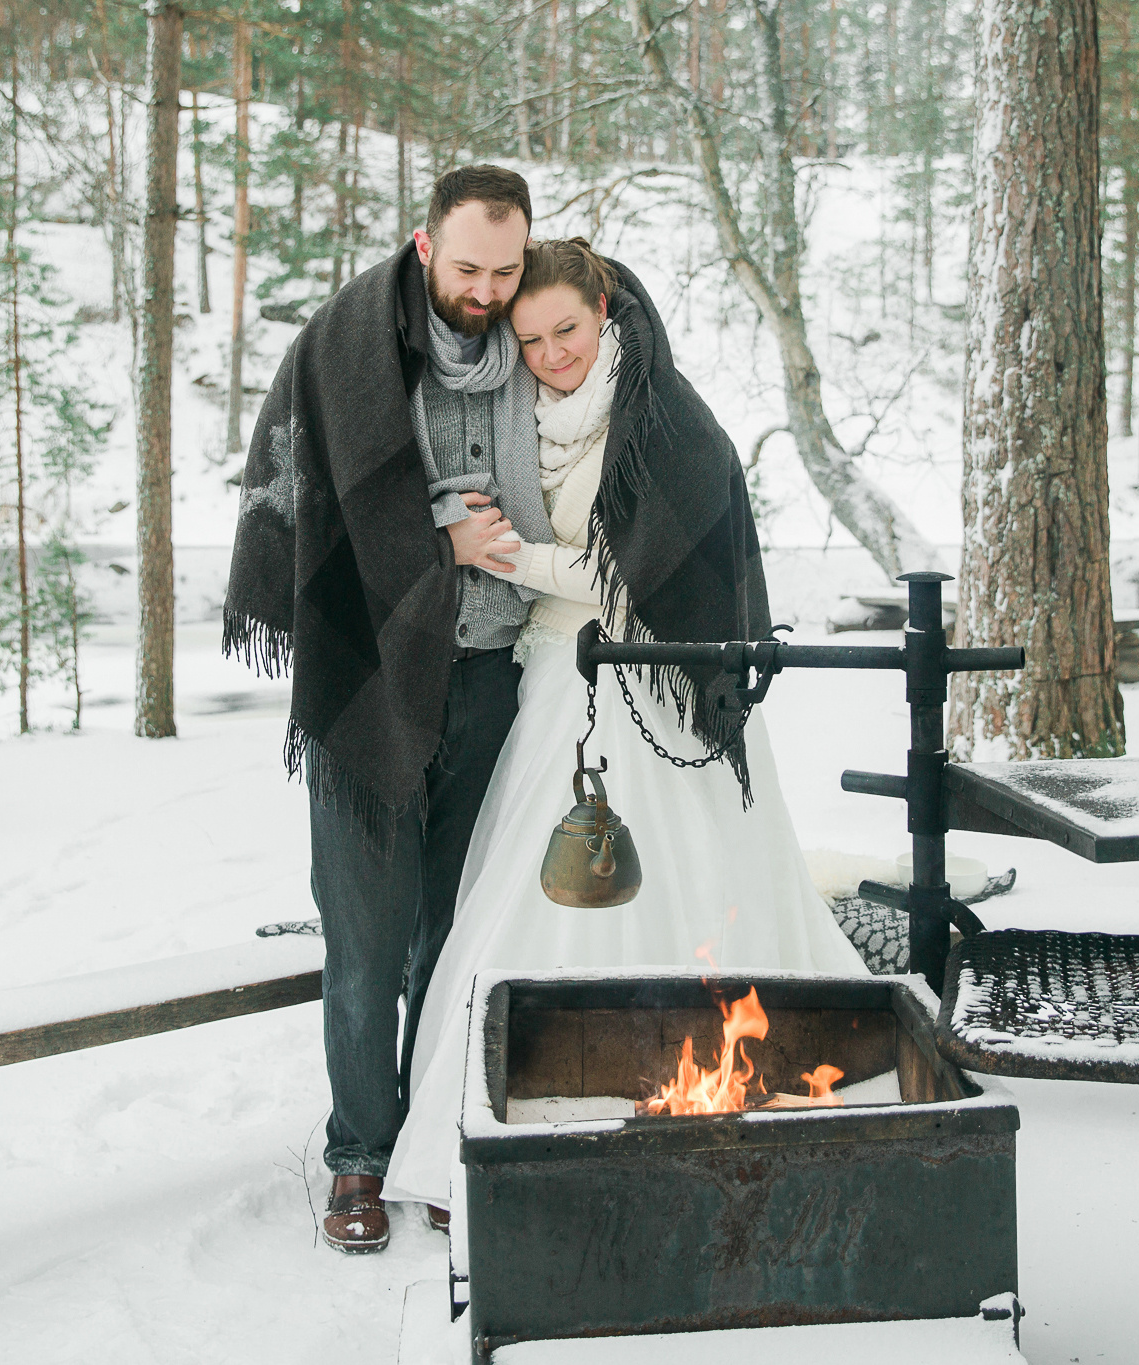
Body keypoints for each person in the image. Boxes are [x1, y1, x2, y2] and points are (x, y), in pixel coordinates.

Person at [381, 238, 869, 1220]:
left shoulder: (661, 420)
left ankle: (680, 1081)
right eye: (529, 340)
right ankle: (502, 1111)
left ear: (603, 307)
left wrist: (498, 555)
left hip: (648, 685)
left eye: (565, 329)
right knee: (542, 890)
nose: (552, 353)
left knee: (671, 885)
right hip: (554, 678)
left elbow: (623, 576)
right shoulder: (525, 414)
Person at [222, 166, 554, 1254]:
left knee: (458, 935)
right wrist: (437, 538)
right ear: (423, 246)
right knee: (365, 939)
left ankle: (440, 1141)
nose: (487, 289)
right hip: (366, 677)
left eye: (505, 269)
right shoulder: (344, 349)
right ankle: (361, 1157)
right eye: (466, 267)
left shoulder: (542, 348)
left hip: (496, 675)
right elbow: (306, 504)